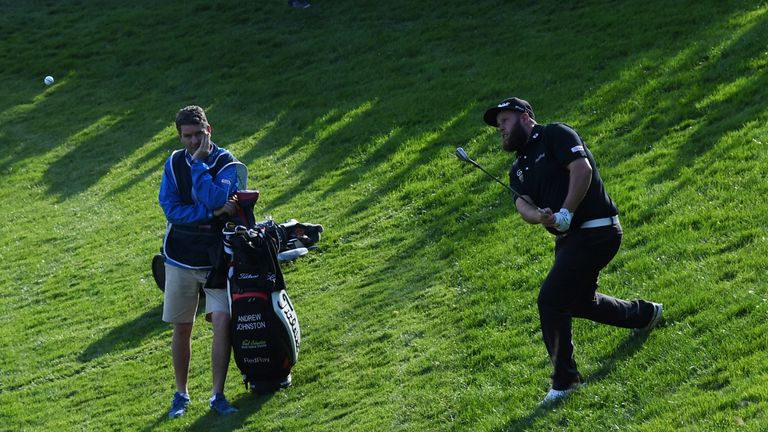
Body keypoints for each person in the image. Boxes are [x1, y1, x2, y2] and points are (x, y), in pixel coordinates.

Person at [482, 97, 664, 405]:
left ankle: (566, 381)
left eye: (506, 121)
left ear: (526, 117)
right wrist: (539, 216)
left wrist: (566, 211)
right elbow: (522, 206)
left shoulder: (556, 134)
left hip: (597, 230)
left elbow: (582, 169)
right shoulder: (518, 169)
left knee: (550, 300)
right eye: (498, 126)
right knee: (577, 301)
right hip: (570, 242)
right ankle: (645, 314)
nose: (501, 129)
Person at [159, 105, 243, 418]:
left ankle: (217, 396)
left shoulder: (227, 162)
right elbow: (171, 209)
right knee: (182, 327)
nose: (193, 142)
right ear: (180, 136)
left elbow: (218, 198)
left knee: (222, 322)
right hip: (179, 257)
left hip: (217, 258)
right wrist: (209, 216)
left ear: (209, 130)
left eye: (198, 134)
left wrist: (197, 167)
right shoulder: (171, 163)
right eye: (187, 137)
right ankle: (181, 395)